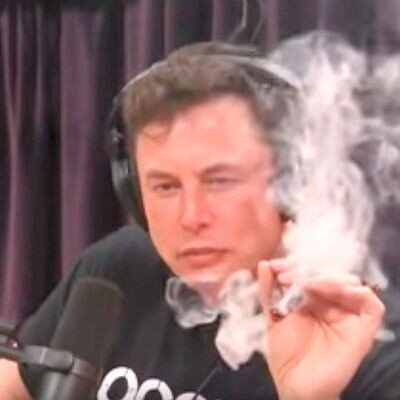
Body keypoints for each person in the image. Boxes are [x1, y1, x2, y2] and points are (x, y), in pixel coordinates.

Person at [0, 41, 399, 400]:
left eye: (219, 181)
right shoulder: (120, 268)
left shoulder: (364, 341)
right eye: (165, 186)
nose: (191, 217)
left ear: (290, 184)